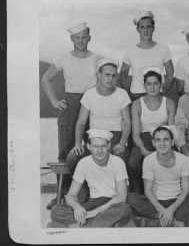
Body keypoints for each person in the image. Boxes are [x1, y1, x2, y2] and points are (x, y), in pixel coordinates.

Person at [41, 22, 102, 209]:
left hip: (91, 104)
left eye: (84, 37)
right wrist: (54, 102)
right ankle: (62, 195)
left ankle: (90, 192)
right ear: (72, 39)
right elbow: (46, 79)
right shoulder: (64, 58)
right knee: (65, 152)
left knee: (93, 149)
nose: (81, 41)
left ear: (89, 38)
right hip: (70, 105)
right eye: (77, 38)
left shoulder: (97, 59)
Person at [66, 59, 131, 184]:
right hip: (94, 139)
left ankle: (116, 193)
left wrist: (122, 143)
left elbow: (127, 122)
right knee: (72, 157)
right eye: (107, 74)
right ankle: (84, 190)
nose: (110, 78)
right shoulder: (89, 94)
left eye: (113, 76)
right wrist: (78, 143)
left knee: (121, 158)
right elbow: (81, 122)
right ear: (99, 75)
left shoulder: (122, 94)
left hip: (114, 139)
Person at [49, 129, 131, 228]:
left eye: (103, 146)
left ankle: (82, 226)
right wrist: (77, 207)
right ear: (89, 147)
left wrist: (94, 213)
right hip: (93, 203)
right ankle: (100, 224)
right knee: (56, 211)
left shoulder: (118, 162)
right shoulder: (83, 163)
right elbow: (70, 195)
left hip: (112, 203)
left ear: (109, 146)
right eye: (95, 146)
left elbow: (121, 197)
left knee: (124, 209)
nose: (99, 151)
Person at [127, 125, 189, 227]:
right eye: (158, 140)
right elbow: (148, 191)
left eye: (166, 139)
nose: (162, 143)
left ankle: (157, 221)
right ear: (153, 143)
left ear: (172, 142)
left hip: (177, 202)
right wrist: (163, 210)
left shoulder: (184, 160)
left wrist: (171, 210)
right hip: (156, 203)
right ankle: (174, 221)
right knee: (130, 198)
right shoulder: (148, 160)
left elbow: (186, 190)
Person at [128, 69, 176, 193]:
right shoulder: (137, 104)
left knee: (174, 159)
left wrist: (164, 147)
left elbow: (171, 130)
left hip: (164, 137)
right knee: (133, 163)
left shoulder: (169, 103)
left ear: (161, 85)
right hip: (144, 139)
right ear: (144, 86)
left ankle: (170, 192)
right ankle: (139, 194)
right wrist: (143, 150)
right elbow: (136, 134)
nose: (152, 87)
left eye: (156, 83)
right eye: (149, 84)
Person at [119, 11, 174, 101]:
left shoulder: (163, 49)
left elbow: (170, 75)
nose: (145, 30)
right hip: (136, 95)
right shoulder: (130, 51)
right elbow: (122, 77)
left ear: (153, 29)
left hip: (157, 95)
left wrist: (162, 92)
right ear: (138, 29)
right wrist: (130, 94)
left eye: (148, 27)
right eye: (142, 27)